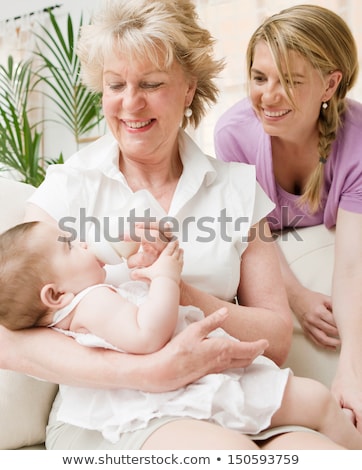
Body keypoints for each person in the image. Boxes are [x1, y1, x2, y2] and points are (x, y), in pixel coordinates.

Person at [0, 0, 342, 450]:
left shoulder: (236, 188)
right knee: (228, 455)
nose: (130, 103)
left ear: (188, 89)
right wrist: (149, 370)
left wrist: (178, 290)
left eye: (151, 84)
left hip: (234, 396)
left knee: (317, 452)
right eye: (115, 84)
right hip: (114, 413)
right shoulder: (69, 187)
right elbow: (10, 338)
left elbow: (276, 338)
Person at [1, 221, 362, 449]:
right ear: (55, 295)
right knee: (311, 402)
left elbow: (120, 276)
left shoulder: (86, 290)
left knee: (314, 401)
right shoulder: (92, 303)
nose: (83, 244)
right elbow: (146, 336)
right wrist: (166, 278)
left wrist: (137, 258)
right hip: (161, 403)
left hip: (198, 384)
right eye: (70, 245)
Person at [214, 4, 362, 430]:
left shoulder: (355, 143)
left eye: (291, 82)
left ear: (330, 84)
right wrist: (296, 295)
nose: (269, 96)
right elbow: (252, 232)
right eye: (260, 78)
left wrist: (349, 372)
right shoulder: (233, 134)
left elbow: (351, 264)